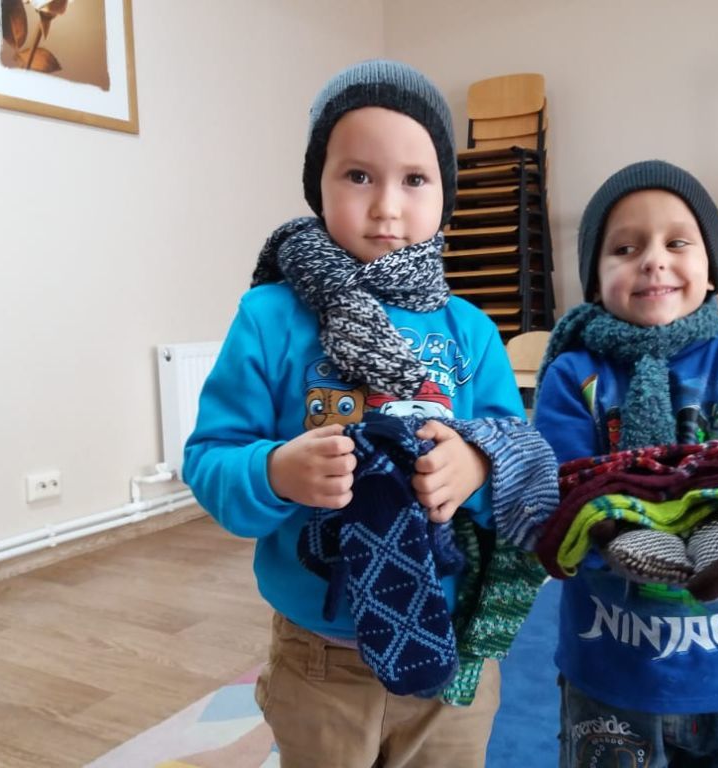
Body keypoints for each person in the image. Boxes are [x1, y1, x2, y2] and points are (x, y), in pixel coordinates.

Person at [184, 59, 556, 768]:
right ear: (318, 184)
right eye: (358, 175)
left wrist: (478, 464)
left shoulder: (470, 331)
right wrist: (275, 471)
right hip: (318, 657)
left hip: (450, 652)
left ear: (445, 195)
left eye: (415, 179)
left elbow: (523, 456)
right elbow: (210, 460)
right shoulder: (269, 317)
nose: (387, 206)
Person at [534, 160, 718, 768]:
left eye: (677, 243)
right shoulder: (574, 374)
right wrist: (612, 532)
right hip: (612, 668)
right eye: (625, 248)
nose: (653, 261)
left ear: (713, 268)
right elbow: (557, 496)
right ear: (594, 280)